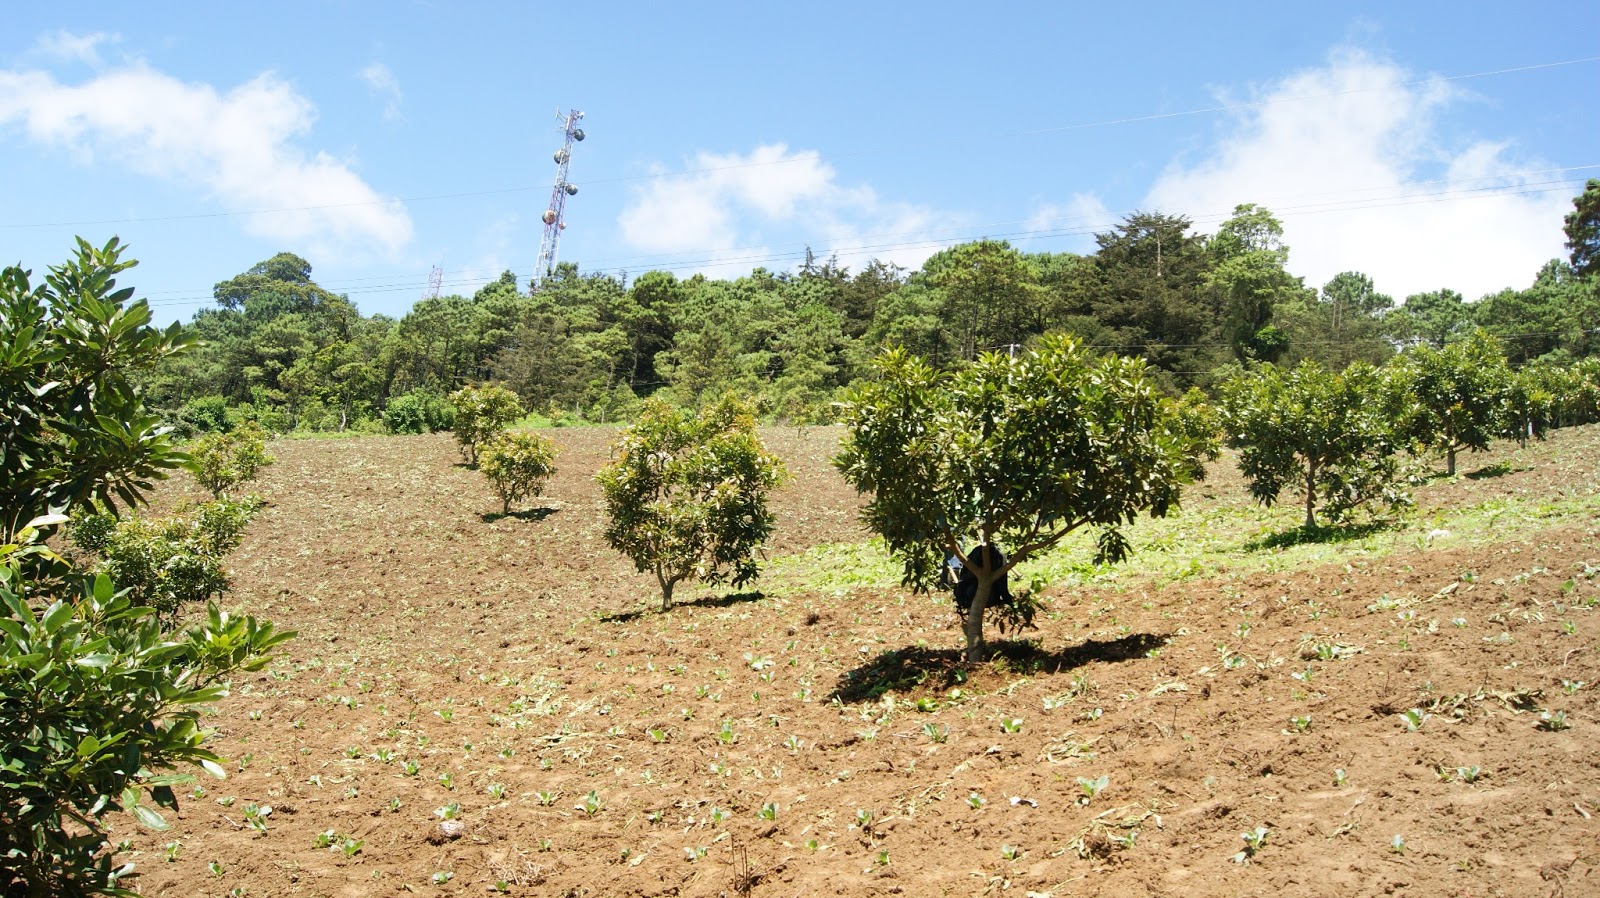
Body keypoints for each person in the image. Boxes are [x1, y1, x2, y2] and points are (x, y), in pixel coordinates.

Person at [946, 543, 1013, 616]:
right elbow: (1003, 585)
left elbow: (964, 576)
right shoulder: (998, 556)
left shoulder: (997, 556)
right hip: (981, 596)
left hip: (973, 596)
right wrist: (1008, 601)